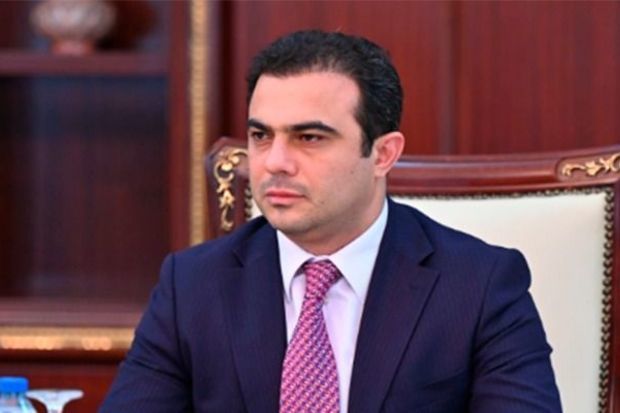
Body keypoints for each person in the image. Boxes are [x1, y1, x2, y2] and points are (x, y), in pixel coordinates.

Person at [100, 30, 561, 412]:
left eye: (309, 137)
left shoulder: (478, 286)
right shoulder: (193, 285)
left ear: (383, 154)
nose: (275, 162)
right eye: (261, 135)